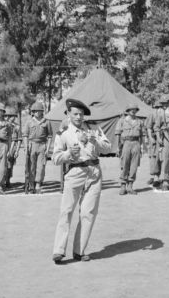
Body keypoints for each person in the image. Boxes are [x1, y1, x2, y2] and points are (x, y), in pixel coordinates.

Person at [52, 98, 111, 263]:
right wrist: (69, 153)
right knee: (66, 211)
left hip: (94, 173)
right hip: (75, 172)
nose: (78, 117)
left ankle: (80, 250)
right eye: (75, 114)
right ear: (69, 114)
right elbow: (55, 158)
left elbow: (108, 147)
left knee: (88, 213)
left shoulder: (93, 128)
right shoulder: (63, 132)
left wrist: (96, 141)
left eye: (81, 114)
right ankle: (58, 251)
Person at [22, 101, 53, 194]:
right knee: (31, 166)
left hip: (42, 145)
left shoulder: (46, 122)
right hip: (31, 145)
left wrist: (47, 149)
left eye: (39, 111)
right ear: (32, 112)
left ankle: (38, 184)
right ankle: (31, 185)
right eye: (35, 111)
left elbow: (50, 136)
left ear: (42, 111)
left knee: (41, 166)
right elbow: (25, 135)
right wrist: (26, 146)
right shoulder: (28, 122)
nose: (37, 112)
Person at [115, 104, 145, 195]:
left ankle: (130, 186)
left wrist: (142, 146)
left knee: (134, 165)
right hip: (126, 143)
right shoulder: (122, 121)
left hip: (136, 143)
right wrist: (117, 147)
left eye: (135, 109)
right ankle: (123, 185)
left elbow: (142, 135)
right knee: (125, 164)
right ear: (128, 110)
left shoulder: (139, 121)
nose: (133, 111)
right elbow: (118, 134)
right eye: (131, 109)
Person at [145, 96, 167, 187]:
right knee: (155, 157)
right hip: (155, 138)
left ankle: (164, 176)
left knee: (165, 157)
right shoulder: (153, 114)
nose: (163, 106)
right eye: (162, 105)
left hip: (165, 137)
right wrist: (151, 138)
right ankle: (155, 176)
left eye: (165, 104)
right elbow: (149, 128)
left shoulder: (167, 113)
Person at [3, 107, 20, 189]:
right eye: (11, 116)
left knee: (10, 165)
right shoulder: (4, 125)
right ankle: (2, 181)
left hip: (12, 148)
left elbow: (18, 139)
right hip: (4, 146)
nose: (13, 118)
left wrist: (17, 150)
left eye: (13, 116)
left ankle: (8, 181)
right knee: (3, 165)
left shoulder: (16, 127)